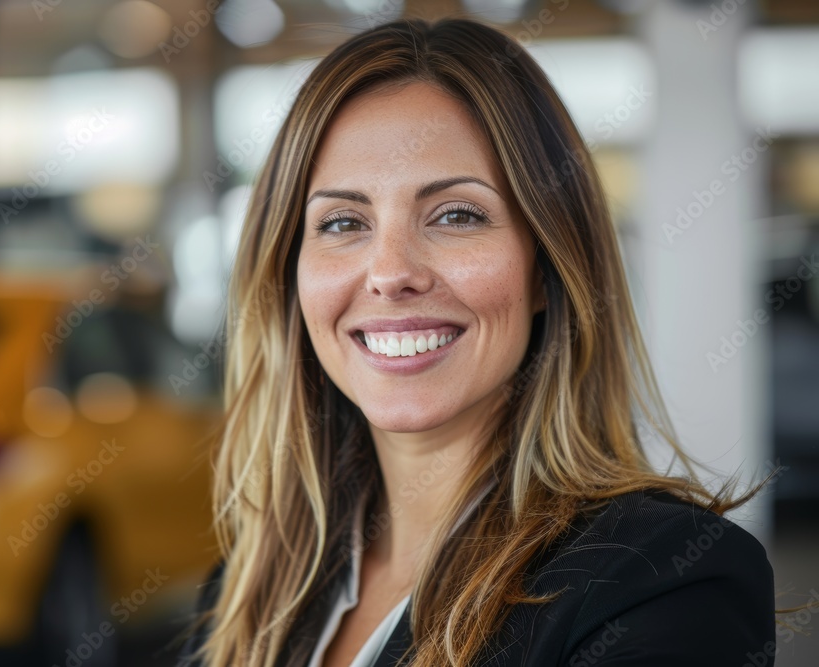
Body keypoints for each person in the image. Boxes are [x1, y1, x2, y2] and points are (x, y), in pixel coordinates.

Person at [175, 15, 777, 667]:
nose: (390, 271)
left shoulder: (666, 585)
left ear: (547, 265)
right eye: (343, 221)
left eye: (457, 214)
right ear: (289, 274)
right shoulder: (246, 592)